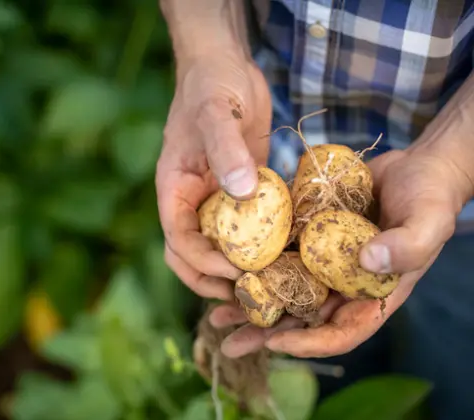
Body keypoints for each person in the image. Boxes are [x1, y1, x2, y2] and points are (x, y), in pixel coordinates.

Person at [155, 1, 474, 419]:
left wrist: (453, 161)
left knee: (456, 345)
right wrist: (208, 52)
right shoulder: (271, 215)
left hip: (456, 195)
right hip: (262, 140)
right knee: (326, 353)